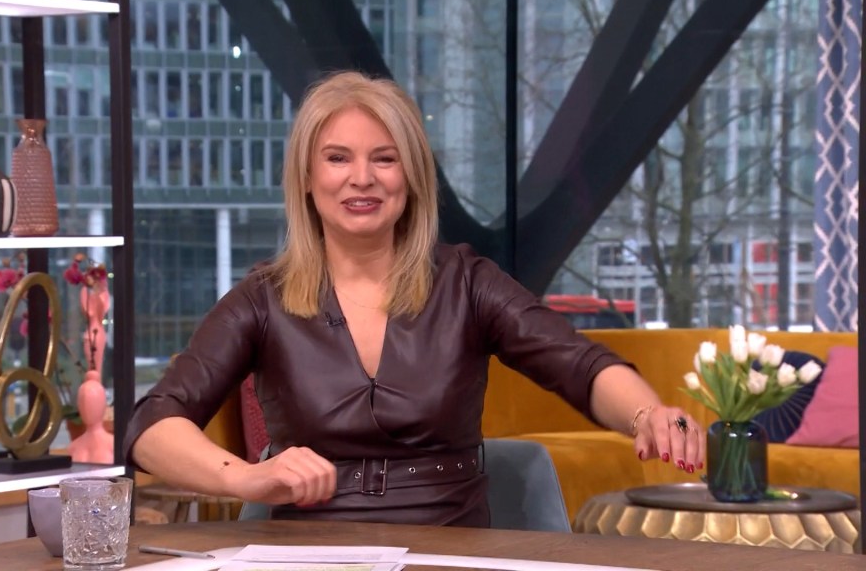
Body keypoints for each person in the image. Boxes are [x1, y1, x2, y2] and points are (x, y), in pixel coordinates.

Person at [125, 70, 705, 528]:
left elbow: (580, 365)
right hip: (307, 550)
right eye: (338, 158)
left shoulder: (467, 282)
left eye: (385, 158)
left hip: (451, 544)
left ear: (412, 177)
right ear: (305, 177)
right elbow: (152, 425)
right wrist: (246, 478)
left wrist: (646, 414)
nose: (362, 178)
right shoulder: (261, 298)